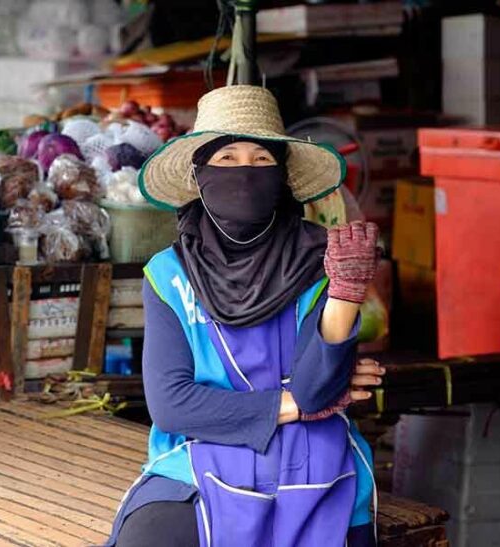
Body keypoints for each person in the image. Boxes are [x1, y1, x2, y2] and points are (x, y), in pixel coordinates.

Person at [106, 85, 384, 547]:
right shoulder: (168, 275)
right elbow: (172, 406)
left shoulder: (325, 260)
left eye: (261, 161)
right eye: (227, 159)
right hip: (198, 453)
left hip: (311, 454)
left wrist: (346, 293)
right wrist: (297, 405)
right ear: (200, 176)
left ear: (282, 177)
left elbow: (317, 385)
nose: (244, 174)